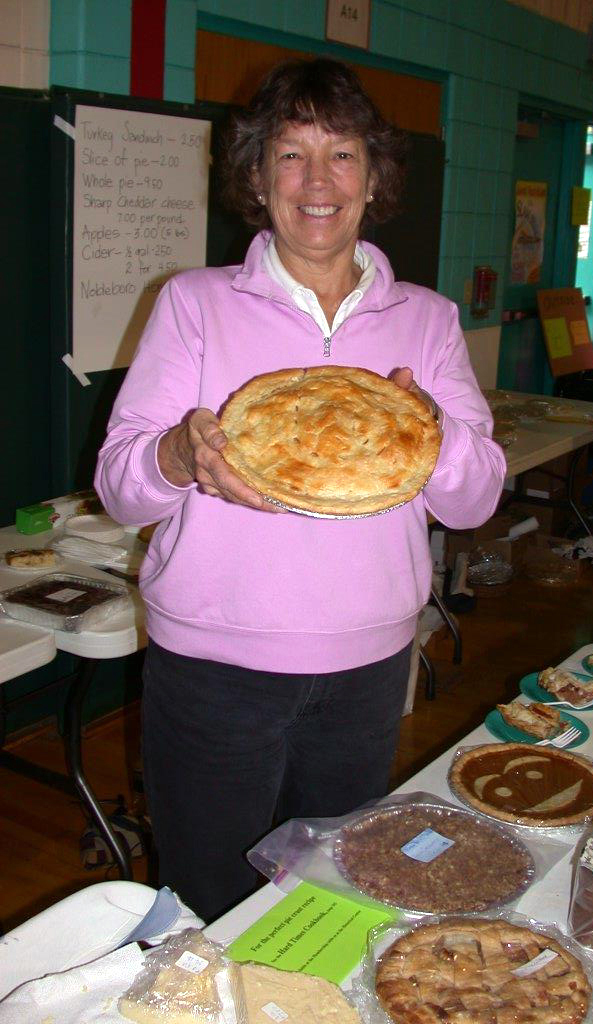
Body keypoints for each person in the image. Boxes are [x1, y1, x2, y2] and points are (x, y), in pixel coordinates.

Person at [94, 58, 506, 921]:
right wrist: (176, 454)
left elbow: (474, 503)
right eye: (291, 154)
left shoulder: (425, 320)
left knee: (328, 898)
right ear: (256, 174)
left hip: (367, 668)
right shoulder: (194, 304)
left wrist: (434, 436)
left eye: (343, 154)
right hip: (214, 668)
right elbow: (121, 490)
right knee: (209, 902)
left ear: (374, 175)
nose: (318, 182)